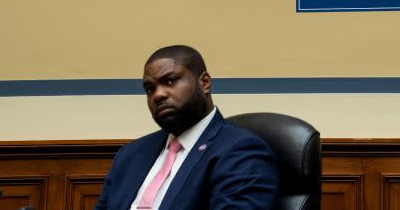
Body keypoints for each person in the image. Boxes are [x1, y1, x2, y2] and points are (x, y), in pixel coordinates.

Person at [95, 45, 279, 210]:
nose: (158, 95)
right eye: (149, 89)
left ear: (204, 83)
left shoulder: (241, 151)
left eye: (170, 81)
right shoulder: (131, 155)